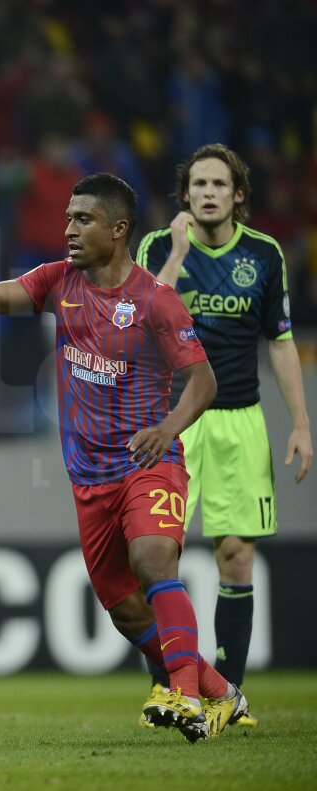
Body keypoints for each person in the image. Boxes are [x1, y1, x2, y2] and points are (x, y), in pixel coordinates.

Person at [0, 174, 247, 742]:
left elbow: (203, 381)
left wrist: (167, 429)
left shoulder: (155, 301)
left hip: (148, 464)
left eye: (83, 220)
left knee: (152, 563)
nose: (68, 229)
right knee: (124, 609)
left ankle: (187, 698)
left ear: (118, 229)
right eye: (68, 218)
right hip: (88, 478)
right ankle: (221, 693)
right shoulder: (57, 281)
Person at [136, 143, 311, 726]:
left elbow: (280, 341)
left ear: (239, 196)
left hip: (240, 419)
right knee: (155, 559)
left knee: (235, 556)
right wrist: (178, 256)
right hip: (175, 421)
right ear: (184, 195)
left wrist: (302, 425)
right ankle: (167, 689)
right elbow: (139, 321)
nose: (207, 192)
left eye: (219, 184)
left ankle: (225, 698)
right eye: (198, 184)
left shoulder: (264, 255)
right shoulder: (157, 247)